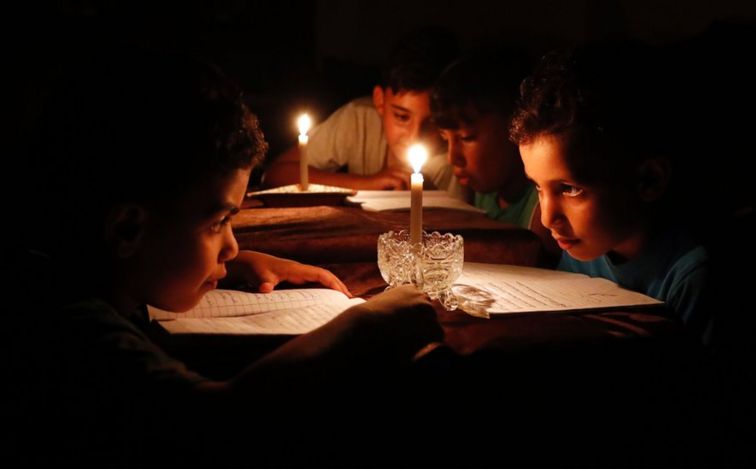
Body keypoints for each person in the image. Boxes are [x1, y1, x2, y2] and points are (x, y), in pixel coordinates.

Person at [13, 48, 442, 465]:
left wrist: (232, 260)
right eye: (218, 223)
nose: (232, 245)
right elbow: (215, 424)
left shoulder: (71, 270)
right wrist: (365, 324)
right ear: (127, 228)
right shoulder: (65, 327)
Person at [509, 43, 711, 343]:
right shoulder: (581, 256)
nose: (549, 218)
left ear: (648, 180)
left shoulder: (691, 275)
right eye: (538, 187)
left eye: (570, 189)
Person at [261, 27, 464, 197]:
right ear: (380, 101)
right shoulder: (359, 119)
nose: (414, 136)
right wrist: (365, 183)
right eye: (402, 117)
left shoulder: (456, 158)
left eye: (433, 122)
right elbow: (276, 174)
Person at [430, 47, 558, 255]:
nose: (453, 157)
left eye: (466, 138)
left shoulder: (543, 207)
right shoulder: (482, 190)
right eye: (446, 139)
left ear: (516, 125)